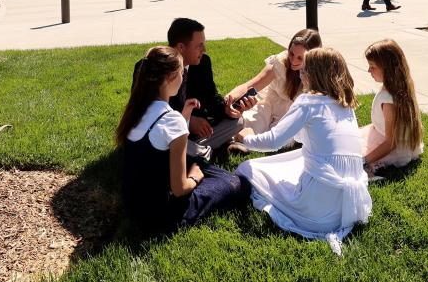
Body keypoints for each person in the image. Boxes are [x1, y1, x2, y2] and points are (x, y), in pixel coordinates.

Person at [234, 48, 373, 254]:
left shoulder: (309, 102)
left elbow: (273, 141)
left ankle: (299, 204)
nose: (300, 74)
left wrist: (246, 137)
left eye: (305, 70)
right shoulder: (346, 107)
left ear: (314, 74)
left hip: (315, 214)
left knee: (247, 168)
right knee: (299, 157)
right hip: (346, 208)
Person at [117, 46, 250, 235]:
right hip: (161, 216)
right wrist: (194, 178)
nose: (183, 77)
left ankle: (202, 174)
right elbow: (179, 189)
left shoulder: (137, 110)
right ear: (171, 77)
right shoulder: (172, 120)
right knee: (237, 183)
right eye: (181, 73)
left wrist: (185, 116)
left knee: (203, 166)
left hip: (133, 207)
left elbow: (157, 142)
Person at [134, 18, 255, 162]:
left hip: (195, 133)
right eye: (199, 45)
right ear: (181, 47)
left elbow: (211, 97)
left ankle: (194, 151)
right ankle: (204, 151)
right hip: (163, 130)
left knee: (237, 122)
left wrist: (227, 110)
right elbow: (147, 112)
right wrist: (189, 121)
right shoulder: (151, 67)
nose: (204, 50)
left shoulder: (203, 62)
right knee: (163, 141)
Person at [225, 28, 323, 153]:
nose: (293, 61)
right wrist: (227, 99)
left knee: (282, 136)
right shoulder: (280, 62)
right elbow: (250, 86)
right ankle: (237, 140)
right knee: (254, 118)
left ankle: (245, 141)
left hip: (293, 111)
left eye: (300, 58)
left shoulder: (318, 74)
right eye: (291, 54)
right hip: (270, 101)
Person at [360, 40, 424, 174]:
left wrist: (364, 161)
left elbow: (390, 143)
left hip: (390, 148)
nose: (368, 70)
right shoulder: (395, 88)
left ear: (386, 68)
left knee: (347, 156)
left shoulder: (388, 101)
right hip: (382, 134)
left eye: (372, 66)